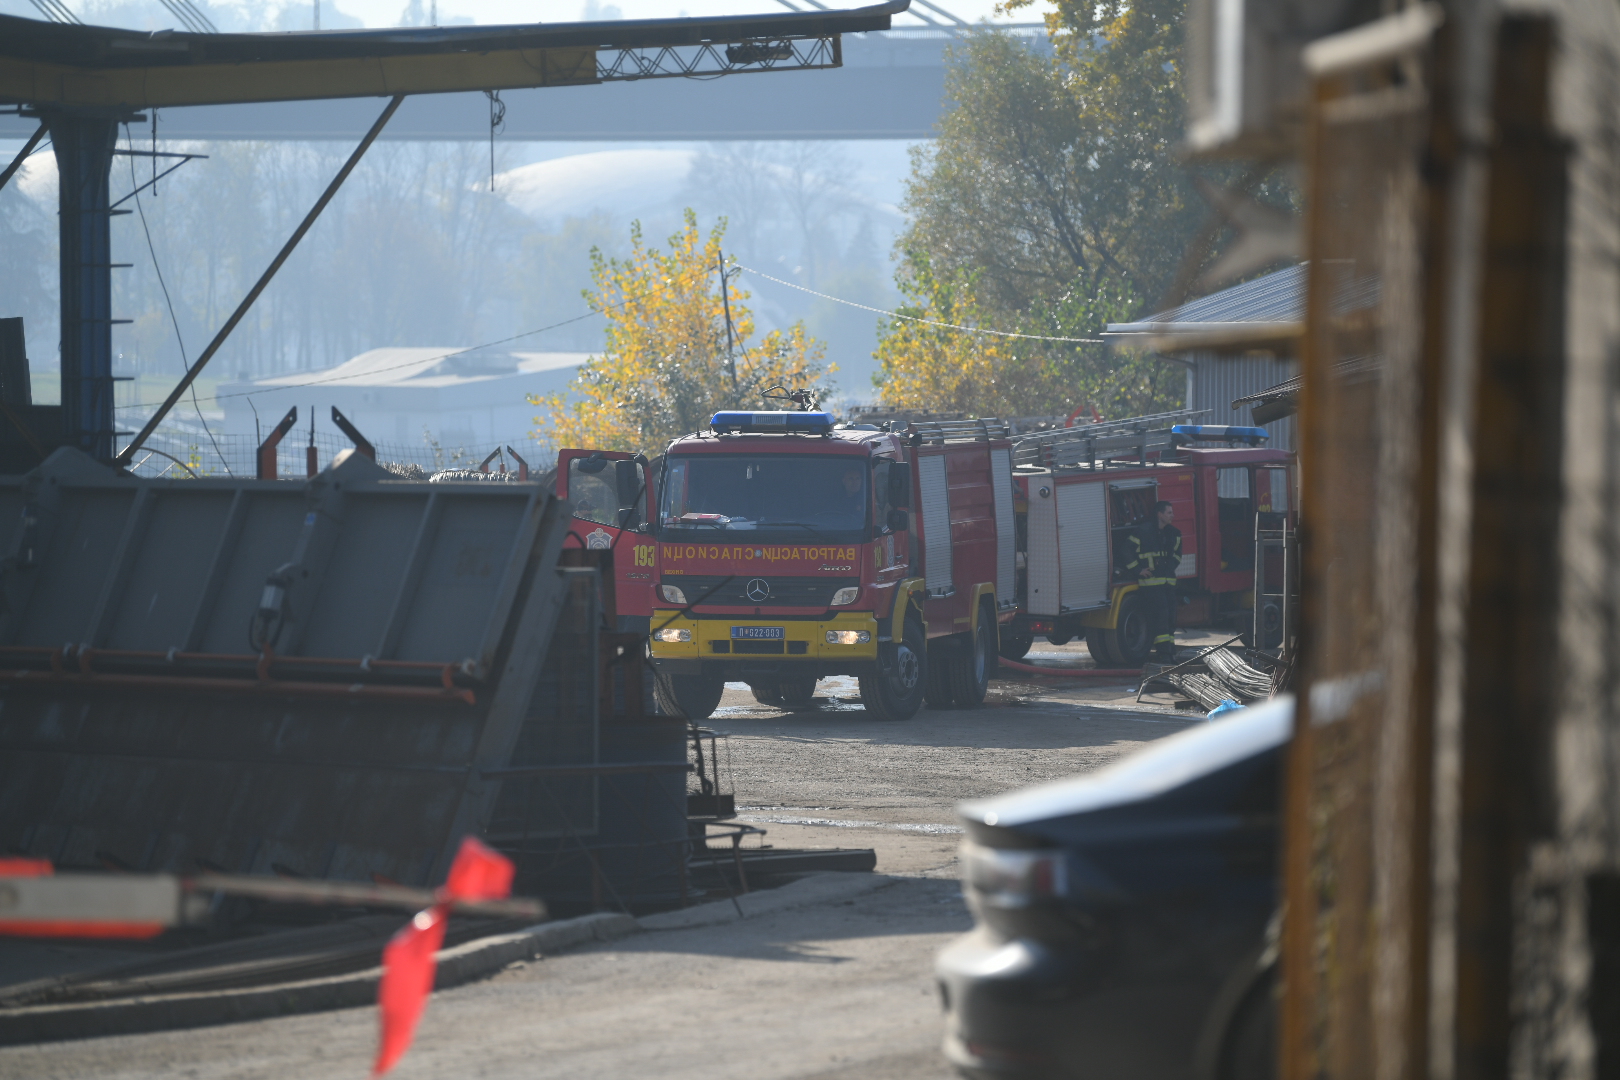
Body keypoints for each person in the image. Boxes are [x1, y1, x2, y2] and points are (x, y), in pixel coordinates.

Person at [1126, 500, 1182, 661]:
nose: (1173, 515)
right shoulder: (1143, 532)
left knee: (1171, 617)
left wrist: (1170, 567)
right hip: (1151, 585)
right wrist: (1138, 570)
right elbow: (1126, 551)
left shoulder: (1173, 533)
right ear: (1160, 514)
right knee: (1161, 617)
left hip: (1168, 583)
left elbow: (1177, 554)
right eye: (1169, 512)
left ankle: (1170, 651)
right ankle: (1163, 653)